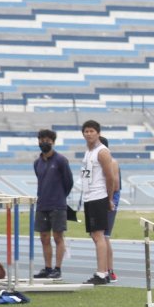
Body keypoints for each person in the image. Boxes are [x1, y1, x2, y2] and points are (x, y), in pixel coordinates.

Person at [79, 120, 118, 286]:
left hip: (99, 196)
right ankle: (104, 272)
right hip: (89, 196)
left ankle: (102, 273)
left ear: (98, 133)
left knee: (98, 235)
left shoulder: (102, 152)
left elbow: (110, 178)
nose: (89, 134)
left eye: (92, 131)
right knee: (95, 236)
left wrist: (109, 199)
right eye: (86, 131)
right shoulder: (88, 151)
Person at [33, 129, 73, 280]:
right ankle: (47, 268)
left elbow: (69, 182)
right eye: (41, 140)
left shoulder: (61, 160)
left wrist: (60, 197)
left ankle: (58, 269)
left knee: (58, 237)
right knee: (44, 237)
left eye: (47, 140)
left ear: (53, 142)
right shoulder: (37, 163)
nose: (44, 142)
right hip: (42, 204)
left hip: (57, 205)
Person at [99, 136, 121, 283]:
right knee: (99, 236)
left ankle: (109, 271)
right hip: (99, 199)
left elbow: (116, 184)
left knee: (104, 236)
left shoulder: (111, 162)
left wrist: (109, 200)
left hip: (107, 200)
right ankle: (105, 270)